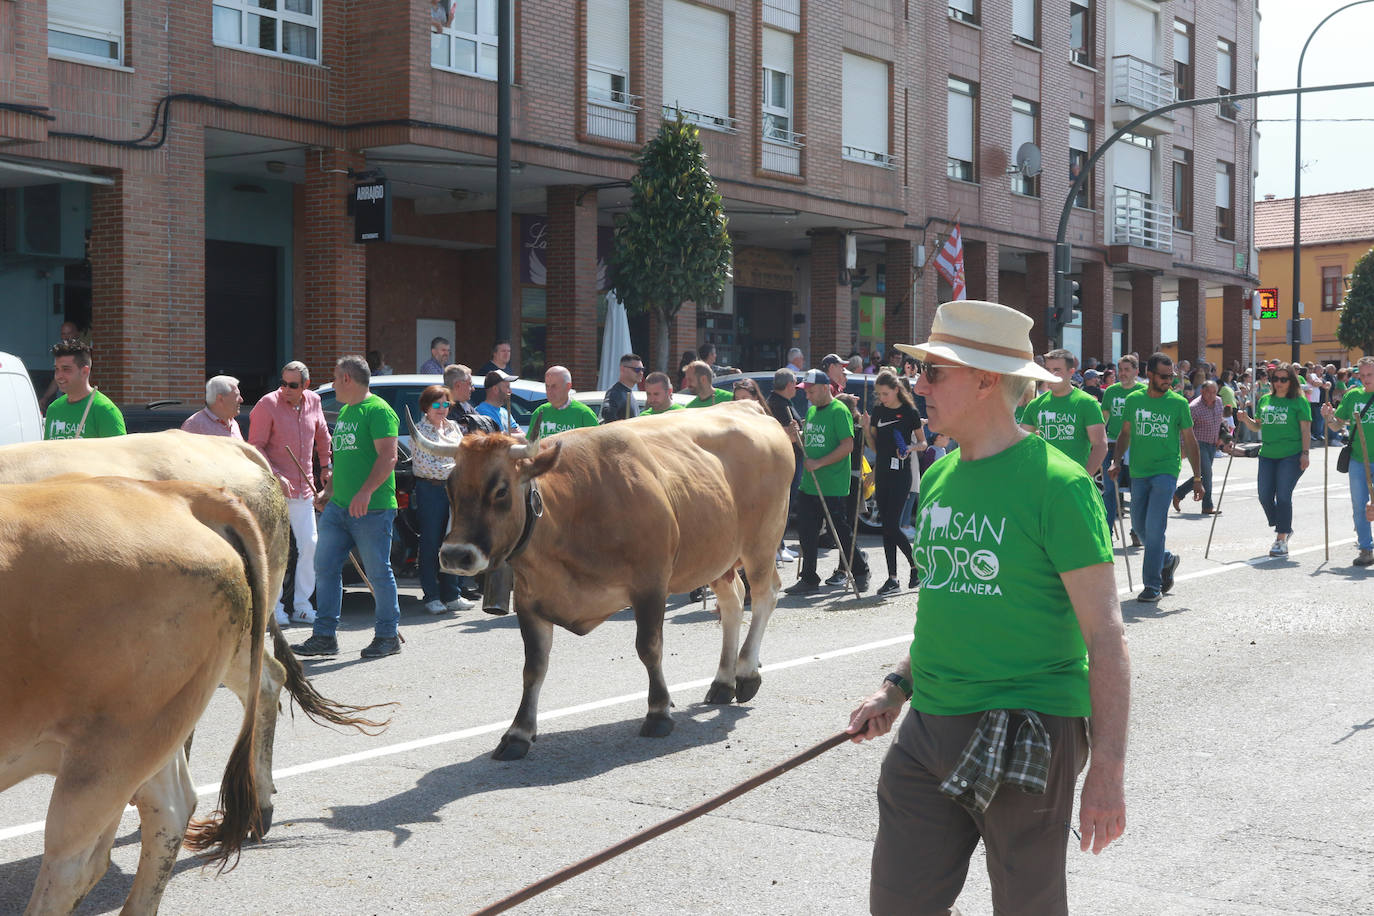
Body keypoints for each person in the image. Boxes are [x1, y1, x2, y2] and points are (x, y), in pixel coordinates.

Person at [847, 299, 1128, 916]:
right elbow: (949, 610)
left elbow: (1105, 638)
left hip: (1026, 724)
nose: (919, 385)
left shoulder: (1061, 485)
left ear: (985, 380)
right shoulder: (942, 475)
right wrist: (897, 687)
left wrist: (1107, 769)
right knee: (898, 905)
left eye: (934, 372)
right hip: (929, 726)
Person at [293, 355, 403, 660]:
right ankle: (325, 636)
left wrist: (366, 492)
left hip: (373, 509)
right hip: (338, 508)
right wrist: (328, 491)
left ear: (347, 379)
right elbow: (343, 461)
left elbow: (388, 457)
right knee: (325, 567)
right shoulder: (345, 413)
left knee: (379, 572)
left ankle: (387, 635)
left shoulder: (379, 410)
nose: (331, 382)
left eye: (334, 375)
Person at [1109, 353, 1203, 602]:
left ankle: (1153, 586)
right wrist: (1116, 461)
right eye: (1163, 376)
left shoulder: (1178, 403)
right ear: (1149, 374)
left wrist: (1197, 478)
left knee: (1155, 527)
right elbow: (1125, 434)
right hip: (1139, 471)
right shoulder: (1134, 400)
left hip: (1166, 471)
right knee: (1139, 528)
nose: (1168, 381)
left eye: (1171, 376)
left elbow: (1190, 441)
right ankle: (1166, 559)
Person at [249, 360, 333, 627]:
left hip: (303, 487)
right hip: (274, 489)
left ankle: (302, 605)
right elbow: (255, 447)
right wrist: (276, 474)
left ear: (305, 385)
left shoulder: (314, 401)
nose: (285, 389)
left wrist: (327, 465)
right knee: (276, 550)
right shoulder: (266, 405)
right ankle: (275, 608)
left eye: (292, 385)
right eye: (282, 383)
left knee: (309, 544)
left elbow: (323, 435)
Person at [784, 369, 870, 595]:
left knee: (840, 532)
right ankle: (809, 577)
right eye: (806, 392)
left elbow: (847, 446)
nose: (808, 396)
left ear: (824, 389)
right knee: (807, 532)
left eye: (811, 391)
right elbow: (808, 440)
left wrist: (820, 463)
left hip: (832, 485)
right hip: (809, 484)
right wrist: (796, 434)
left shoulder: (838, 410)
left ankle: (860, 570)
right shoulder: (812, 412)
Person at [1235, 363, 1312, 557]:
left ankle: (1281, 538)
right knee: (1264, 496)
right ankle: (1284, 525)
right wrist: (1245, 420)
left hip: (1292, 454)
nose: (1278, 383)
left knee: (1284, 495)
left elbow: (1305, 429)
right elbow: (1256, 427)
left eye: (1283, 379)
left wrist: (1305, 453)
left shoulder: (1298, 402)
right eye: (1275, 379)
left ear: (1291, 381)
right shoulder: (1265, 400)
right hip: (1268, 454)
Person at [411, 384, 475, 614]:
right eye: (436, 404)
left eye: (446, 404)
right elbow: (426, 466)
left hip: (457, 491)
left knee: (453, 541)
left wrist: (457, 469)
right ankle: (431, 596)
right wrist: (455, 468)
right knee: (430, 542)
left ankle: (452, 594)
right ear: (426, 407)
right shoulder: (419, 431)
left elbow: (465, 458)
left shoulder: (455, 428)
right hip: (431, 491)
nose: (442, 408)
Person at [863, 369, 922, 596]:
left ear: (896, 390)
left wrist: (908, 448)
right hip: (883, 473)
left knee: (890, 525)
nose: (882, 398)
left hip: (901, 475)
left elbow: (924, 443)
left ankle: (915, 566)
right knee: (887, 530)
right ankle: (893, 578)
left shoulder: (910, 412)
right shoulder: (878, 411)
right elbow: (874, 446)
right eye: (879, 394)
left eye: (885, 393)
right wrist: (867, 428)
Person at [1020, 348, 1107, 477]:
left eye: (1057, 370)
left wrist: (1085, 477)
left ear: (1071, 372)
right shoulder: (1035, 405)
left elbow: (1100, 445)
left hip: (1074, 480)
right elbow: (1022, 443)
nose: (1051, 374)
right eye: (1048, 370)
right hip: (1044, 479)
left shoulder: (1087, 403)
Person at [1322, 356, 1374, 567]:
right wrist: (1328, 416)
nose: (1365, 379)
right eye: (1362, 375)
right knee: (1359, 505)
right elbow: (1336, 425)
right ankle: (1365, 548)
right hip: (1358, 459)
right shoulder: (1353, 395)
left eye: (1370, 374)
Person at [44, 339, 125, 439]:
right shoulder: (54, 409)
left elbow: (118, 453)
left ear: (85, 372)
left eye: (66, 369)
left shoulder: (105, 410)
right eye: (57, 369)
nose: (59, 376)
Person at [1100, 355, 1143, 537]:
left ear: (1136, 371)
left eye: (1127, 369)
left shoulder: (1143, 391)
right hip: (1112, 445)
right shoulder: (1111, 391)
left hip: (1136, 446)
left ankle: (1137, 531)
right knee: (1109, 491)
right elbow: (1103, 419)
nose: (1123, 373)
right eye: (1121, 369)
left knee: (1136, 491)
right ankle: (1107, 532)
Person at [1172, 381, 1225, 515]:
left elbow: (1220, 420)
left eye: (1215, 392)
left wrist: (1221, 436)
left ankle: (1178, 494)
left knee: (1202, 475)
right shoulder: (1194, 407)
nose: (1212, 395)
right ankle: (1207, 506)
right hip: (1197, 445)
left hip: (1212, 444)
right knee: (1207, 475)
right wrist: (1183, 446)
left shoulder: (1219, 402)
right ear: (1202, 392)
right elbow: (1184, 429)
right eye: (1209, 392)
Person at [767, 368, 804, 562]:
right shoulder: (777, 404)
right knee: (783, 504)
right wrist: (795, 431)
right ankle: (777, 546)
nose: (797, 387)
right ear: (789, 385)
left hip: (793, 459)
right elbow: (783, 434)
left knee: (786, 503)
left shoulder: (782, 402)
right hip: (785, 461)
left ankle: (780, 545)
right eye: (795, 383)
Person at [528, 365, 599, 438]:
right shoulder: (540, 412)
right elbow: (530, 444)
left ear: (568, 386)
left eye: (554, 386)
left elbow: (598, 444)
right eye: (547, 386)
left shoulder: (584, 414)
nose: (549, 391)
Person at [38, 320, 85, 410]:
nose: (66, 337)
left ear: (77, 334)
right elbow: (56, 381)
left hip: (82, 401)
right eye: (63, 334)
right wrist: (45, 397)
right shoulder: (61, 354)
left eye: (69, 333)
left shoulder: (84, 354)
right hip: (67, 401)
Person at [444, 363, 497, 435]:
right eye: (470, 384)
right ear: (458, 385)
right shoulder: (444, 410)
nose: (473, 389)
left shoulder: (467, 407)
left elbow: (484, 427)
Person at [477, 370, 523, 435]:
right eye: (507, 387)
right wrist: (508, 435)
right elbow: (496, 439)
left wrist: (506, 435)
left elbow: (523, 437)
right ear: (495, 389)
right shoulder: (482, 412)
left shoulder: (505, 412)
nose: (510, 391)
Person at [600, 353, 643, 422]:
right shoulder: (615, 392)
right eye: (637, 369)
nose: (641, 373)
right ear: (623, 369)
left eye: (642, 369)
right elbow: (607, 412)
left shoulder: (628, 392)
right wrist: (621, 430)